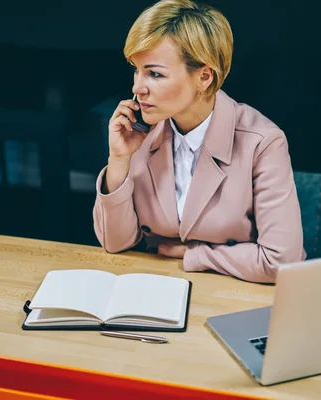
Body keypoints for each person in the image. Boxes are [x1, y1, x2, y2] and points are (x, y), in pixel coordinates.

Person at [93, 0, 305, 283]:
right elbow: (114, 243)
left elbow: (281, 262)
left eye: (154, 74)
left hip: (233, 298)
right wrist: (118, 161)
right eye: (136, 69)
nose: (137, 88)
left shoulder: (263, 142)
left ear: (204, 76)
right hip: (153, 286)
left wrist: (196, 255)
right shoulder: (140, 131)